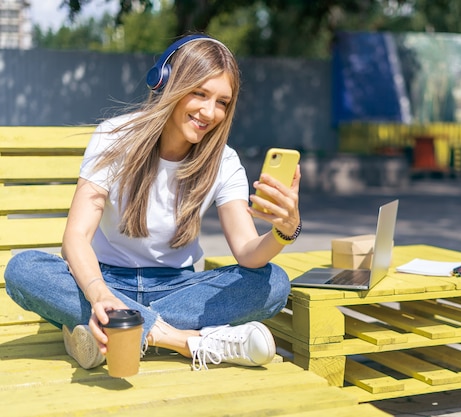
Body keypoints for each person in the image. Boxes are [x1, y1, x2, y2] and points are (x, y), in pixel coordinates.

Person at [4, 33, 301, 371]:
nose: (210, 112)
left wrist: (285, 230)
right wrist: (99, 293)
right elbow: (75, 237)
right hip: (106, 279)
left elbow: (248, 253)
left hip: (179, 288)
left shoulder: (224, 160)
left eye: (222, 102)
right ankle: (183, 341)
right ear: (166, 83)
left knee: (274, 282)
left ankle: (113, 328)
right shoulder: (113, 138)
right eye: (200, 93)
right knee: (23, 270)